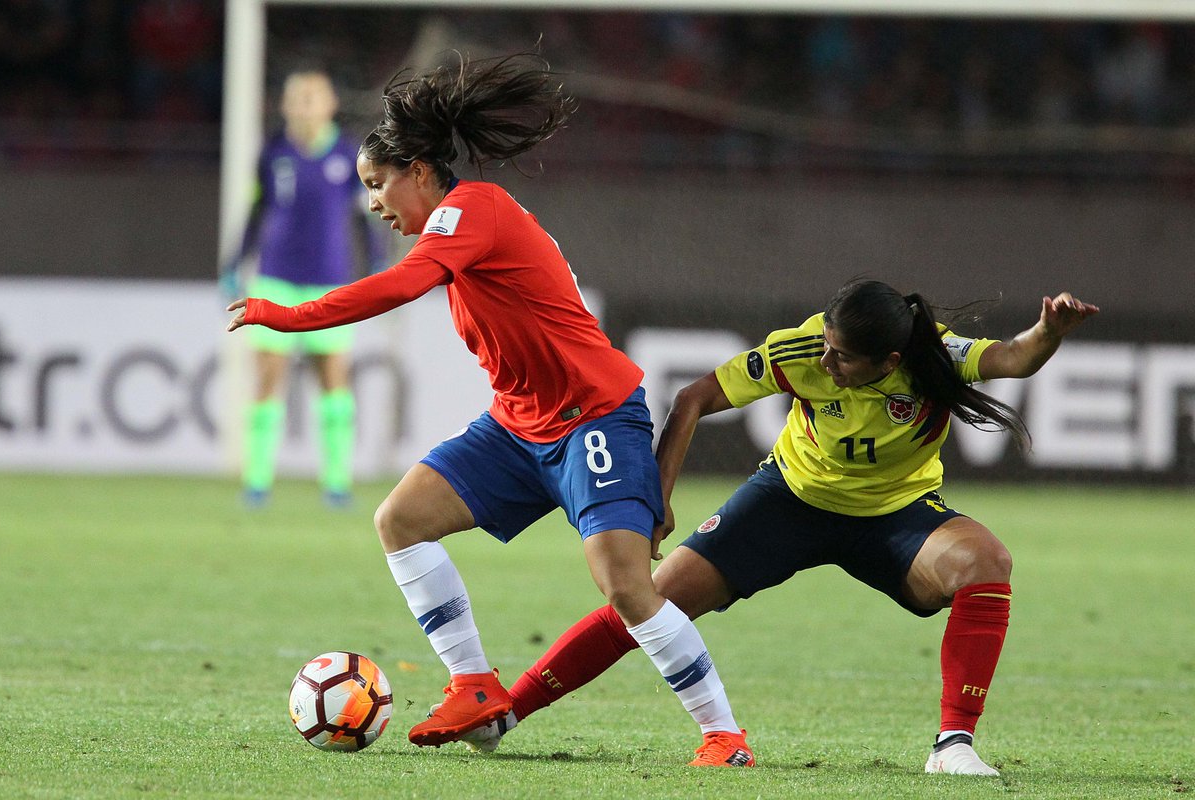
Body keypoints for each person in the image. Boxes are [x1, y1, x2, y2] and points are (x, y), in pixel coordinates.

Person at [226, 52, 753, 767]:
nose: (374, 204)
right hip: (518, 424)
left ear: (419, 170)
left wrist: (286, 315)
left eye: (379, 185)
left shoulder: (472, 209)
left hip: (594, 416)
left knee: (626, 585)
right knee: (401, 519)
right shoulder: (461, 223)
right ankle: (473, 683)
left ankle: (724, 735)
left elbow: (398, 286)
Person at [447, 279, 1099, 777]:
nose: (827, 360)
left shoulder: (933, 358)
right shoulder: (805, 348)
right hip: (786, 503)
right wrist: (657, 496)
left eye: (843, 356)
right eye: (827, 345)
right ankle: (506, 713)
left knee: (987, 562)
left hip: (894, 516)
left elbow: (1013, 359)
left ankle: (952, 744)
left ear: (890, 359)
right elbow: (694, 397)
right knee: (646, 600)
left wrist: (1049, 330)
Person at [220, 69, 386, 508]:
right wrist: (235, 264)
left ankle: (336, 482)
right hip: (276, 280)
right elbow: (256, 209)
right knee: (268, 377)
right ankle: (257, 481)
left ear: (330, 104)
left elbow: (368, 215)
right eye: (298, 98)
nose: (306, 106)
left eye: (314, 98)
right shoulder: (273, 152)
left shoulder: (350, 155)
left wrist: (377, 264)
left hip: (330, 283)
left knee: (332, 379)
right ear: (286, 105)